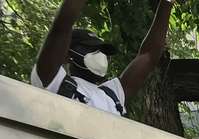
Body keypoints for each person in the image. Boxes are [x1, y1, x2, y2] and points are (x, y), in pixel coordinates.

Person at [31, 0, 173, 116]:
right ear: (67, 55)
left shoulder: (113, 95)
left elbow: (149, 55)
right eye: (91, 49)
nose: (100, 55)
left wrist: (167, 2)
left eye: (102, 50)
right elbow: (62, 26)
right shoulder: (53, 81)